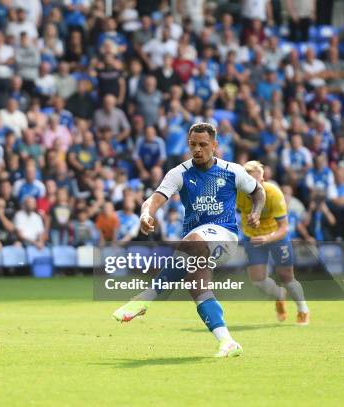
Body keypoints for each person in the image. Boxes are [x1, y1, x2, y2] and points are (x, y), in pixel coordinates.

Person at [112, 123, 266, 358]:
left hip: (224, 236)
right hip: (194, 243)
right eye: (193, 144)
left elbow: (258, 192)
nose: (197, 149)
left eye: (203, 145)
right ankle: (227, 341)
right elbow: (153, 199)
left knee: (193, 239)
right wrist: (145, 214)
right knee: (198, 289)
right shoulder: (179, 173)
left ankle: (146, 297)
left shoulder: (232, 171)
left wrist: (256, 212)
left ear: (215, 145)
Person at [237, 161, 310, 325]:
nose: (256, 185)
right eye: (250, 182)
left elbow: (284, 228)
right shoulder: (238, 193)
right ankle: (279, 295)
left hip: (276, 237)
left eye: (259, 181)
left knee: (287, 277)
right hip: (252, 238)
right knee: (257, 280)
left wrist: (267, 238)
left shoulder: (274, 194)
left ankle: (303, 309)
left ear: (263, 180)